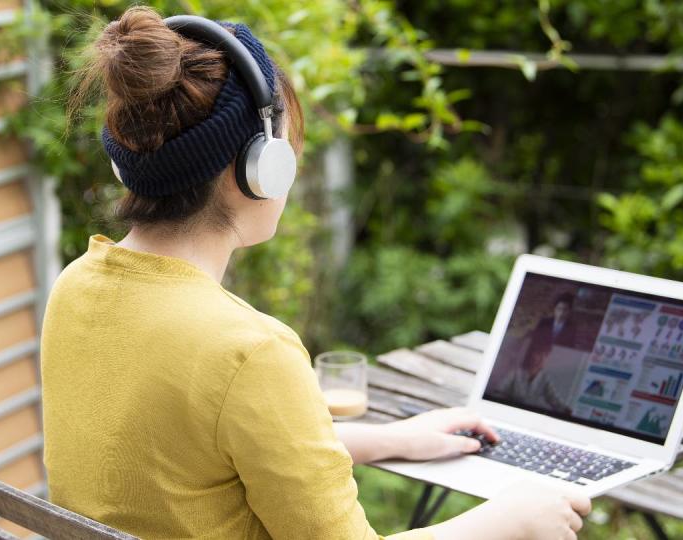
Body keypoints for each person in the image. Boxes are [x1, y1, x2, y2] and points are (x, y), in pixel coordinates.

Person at [40, 7, 590, 540]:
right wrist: (514, 520)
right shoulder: (249, 352)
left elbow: (192, 466)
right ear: (259, 168)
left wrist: (383, 440)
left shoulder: (76, 287)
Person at [496, 338, 573, 415]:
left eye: (545, 355)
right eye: (539, 354)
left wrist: (566, 410)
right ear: (532, 355)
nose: (542, 358)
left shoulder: (545, 379)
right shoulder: (516, 373)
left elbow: (554, 399)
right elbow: (499, 391)